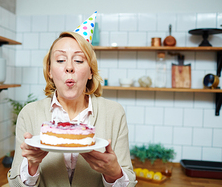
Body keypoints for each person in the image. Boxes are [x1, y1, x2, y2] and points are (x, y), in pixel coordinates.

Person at [8, 13, 136, 187]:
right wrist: (31, 166)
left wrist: (114, 173)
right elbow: (15, 184)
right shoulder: (29, 114)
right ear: (50, 71)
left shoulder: (114, 113)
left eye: (78, 60)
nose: (69, 67)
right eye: (60, 60)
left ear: (91, 71)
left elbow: (128, 179)